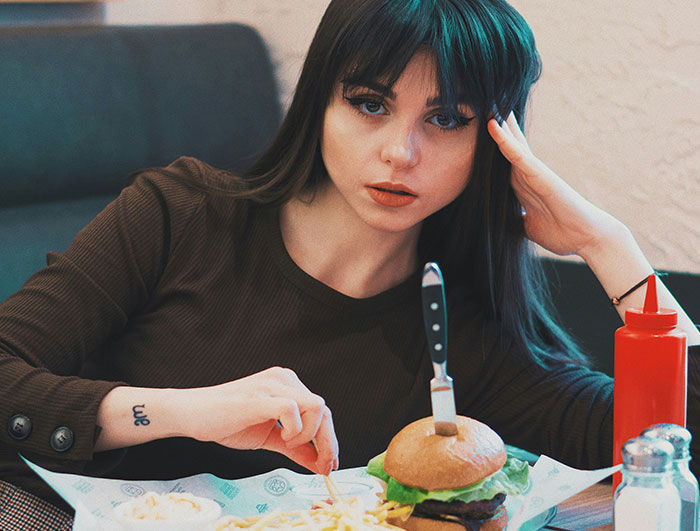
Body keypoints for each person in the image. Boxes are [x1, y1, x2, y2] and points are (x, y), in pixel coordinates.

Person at [2, 0, 699, 527]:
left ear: (495, 141)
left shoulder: (472, 336)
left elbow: (671, 453)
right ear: (321, 104)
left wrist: (609, 245)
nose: (401, 152)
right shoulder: (180, 213)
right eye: (370, 104)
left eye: (446, 118)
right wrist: (192, 412)